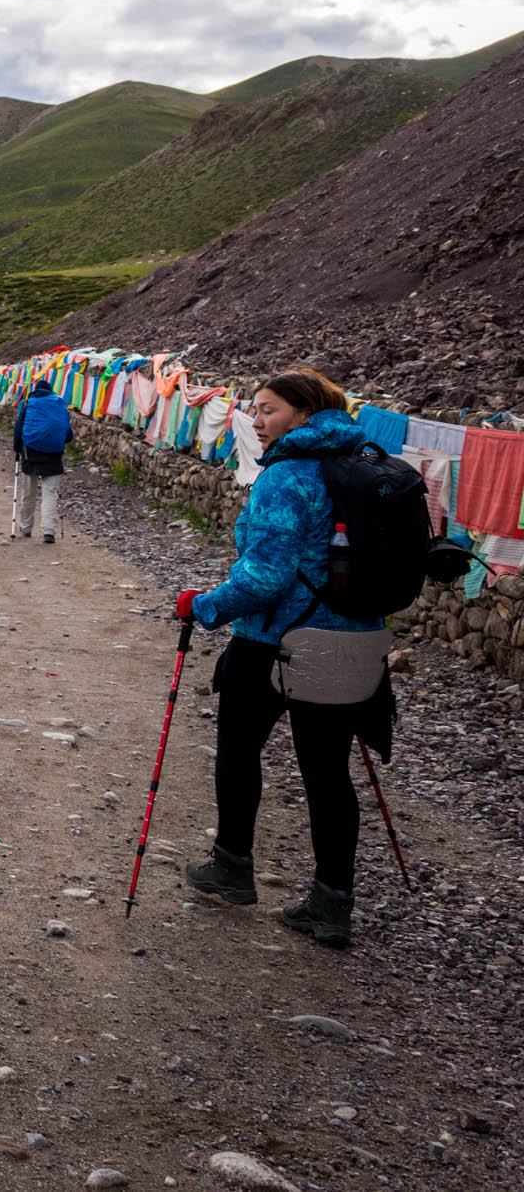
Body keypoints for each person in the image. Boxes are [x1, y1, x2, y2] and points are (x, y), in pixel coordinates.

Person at [176, 367, 391, 950]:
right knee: (328, 774)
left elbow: (265, 578)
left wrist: (203, 606)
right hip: (355, 639)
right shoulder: (370, 462)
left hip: (277, 641)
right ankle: (332, 903)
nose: (257, 421)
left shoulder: (287, 476)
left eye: (268, 410)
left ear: (301, 411)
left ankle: (232, 867)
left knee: (239, 752)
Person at [13, 378, 68, 541]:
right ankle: (48, 532)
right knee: (50, 494)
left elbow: (18, 430)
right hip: (54, 455)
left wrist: (17, 449)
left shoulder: (28, 404)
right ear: (51, 392)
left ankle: (26, 528)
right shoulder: (59, 405)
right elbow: (68, 433)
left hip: (31, 453)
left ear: (35, 391)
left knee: (28, 492)